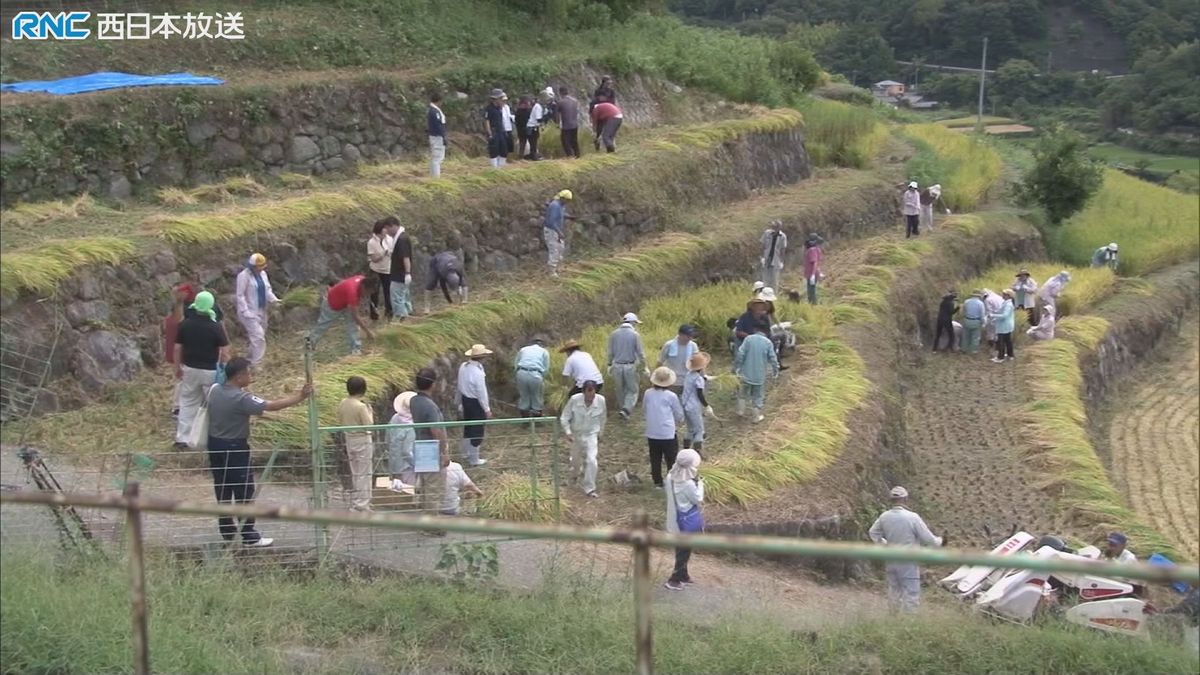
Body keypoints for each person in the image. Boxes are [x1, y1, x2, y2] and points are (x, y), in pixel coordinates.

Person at [207, 356, 311, 546]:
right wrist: (300, 397)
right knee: (244, 490)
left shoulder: (215, 390)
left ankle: (227, 530)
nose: (251, 376)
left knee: (222, 488)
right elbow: (271, 406)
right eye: (249, 373)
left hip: (214, 444)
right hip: (235, 447)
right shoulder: (241, 398)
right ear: (239, 377)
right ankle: (249, 534)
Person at [868, 485, 944, 613]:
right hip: (908, 560)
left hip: (891, 559)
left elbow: (873, 533)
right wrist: (941, 541)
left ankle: (893, 619)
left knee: (894, 591)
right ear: (905, 499)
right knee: (911, 593)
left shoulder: (884, 516)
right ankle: (909, 623)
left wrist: (885, 545)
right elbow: (928, 539)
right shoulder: (912, 517)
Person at [174, 291, 230, 449]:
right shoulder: (215, 327)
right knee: (213, 404)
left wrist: (177, 368)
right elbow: (225, 352)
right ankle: (214, 438)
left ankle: (182, 439)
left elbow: (178, 348)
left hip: (190, 369)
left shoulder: (185, 324)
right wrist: (225, 370)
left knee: (187, 402)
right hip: (210, 371)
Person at [663, 447, 704, 591]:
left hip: (674, 519)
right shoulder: (687, 484)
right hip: (685, 523)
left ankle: (684, 575)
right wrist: (701, 484)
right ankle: (674, 580)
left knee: (681, 549)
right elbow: (698, 499)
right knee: (683, 551)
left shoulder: (670, 477)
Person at [309, 273, 377, 355]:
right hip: (331, 304)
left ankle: (356, 350)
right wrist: (368, 332)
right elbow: (356, 316)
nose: (366, 295)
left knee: (353, 325)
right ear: (363, 287)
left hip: (345, 303)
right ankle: (308, 348)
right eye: (367, 292)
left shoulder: (362, 279)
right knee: (322, 326)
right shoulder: (352, 292)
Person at [411, 368, 449, 512]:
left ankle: (427, 520)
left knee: (426, 486)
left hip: (420, 447)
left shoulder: (414, 401)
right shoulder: (430, 406)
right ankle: (433, 525)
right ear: (433, 384)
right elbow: (436, 430)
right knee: (433, 487)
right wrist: (444, 452)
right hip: (432, 450)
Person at [560, 379, 606, 498]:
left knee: (591, 460)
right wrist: (568, 432)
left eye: (593, 393)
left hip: (591, 434)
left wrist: (600, 434)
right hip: (576, 434)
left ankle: (590, 488)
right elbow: (564, 417)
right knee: (575, 462)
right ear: (584, 392)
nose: (591, 397)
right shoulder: (575, 400)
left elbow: (603, 418)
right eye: (588, 393)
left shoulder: (600, 401)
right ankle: (574, 476)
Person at [234, 253, 279, 368]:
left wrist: (275, 300)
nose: (260, 269)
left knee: (258, 336)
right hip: (249, 311)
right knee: (258, 336)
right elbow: (240, 295)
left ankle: (249, 358)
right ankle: (256, 363)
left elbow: (267, 290)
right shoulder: (243, 276)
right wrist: (245, 311)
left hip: (262, 309)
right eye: (258, 267)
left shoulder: (263, 274)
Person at [337, 376, 374, 511]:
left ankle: (358, 501)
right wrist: (370, 411)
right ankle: (362, 504)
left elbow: (339, 419)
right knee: (364, 473)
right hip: (362, 439)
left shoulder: (343, 403)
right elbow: (369, 425)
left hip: (349, 439)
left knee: (356, 472)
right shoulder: (361, 406)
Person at [644, 367, 684, 488]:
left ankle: (657, 482)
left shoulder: (648, 393)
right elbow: (679, 414)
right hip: (667, 432)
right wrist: (680, 420)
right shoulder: (671, 396)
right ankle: (671, 481)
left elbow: (644, 409)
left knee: (655, 457)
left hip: (652, 431)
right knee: (671, 458)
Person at [457, 344, 493, 467]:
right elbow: (481, 392)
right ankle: (474, 459)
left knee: (468, 427)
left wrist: (459, 402)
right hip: (475, 403)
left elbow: (459, 385)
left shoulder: (463, 366)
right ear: (482, 357)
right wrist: (487, 409)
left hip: (466, 400)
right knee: (477, 430)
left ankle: (465, 452)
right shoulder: (478, 373)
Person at [608, 312, 649, 419]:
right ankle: (626, 409)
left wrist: (609, 364)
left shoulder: (614, 334)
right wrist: (644, 367)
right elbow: (641, 353)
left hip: (616, 366)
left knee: (620, 390)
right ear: (633, 322)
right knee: (633, 390)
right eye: (636, 323)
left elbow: (610, 352)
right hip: (630, 366)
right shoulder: (635, 334)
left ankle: (623, 411)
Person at [735, 324, 779, 423]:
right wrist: (776, 370)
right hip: (759, 376)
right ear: (766, 332)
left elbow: (740, 354)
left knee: (742, 394)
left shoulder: (748, 339)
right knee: (757, 396)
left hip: (745, 374)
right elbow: (773, 358)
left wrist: (738, 367)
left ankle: (740, 411)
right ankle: (756, 417)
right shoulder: (768, 342)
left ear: (755, 329)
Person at [681, 352, 713, 452]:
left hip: (685, 405)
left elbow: (699, 379)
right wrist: (707, 406)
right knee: (699, 430)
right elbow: (700, 394)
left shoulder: (689, 374)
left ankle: (685, 450)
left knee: (690, 428)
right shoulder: (699, 379)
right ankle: (697, 452)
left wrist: (708, 378)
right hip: (694, 407)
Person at [386, 392, 418, 492]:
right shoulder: (411, 427)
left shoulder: (394, 418)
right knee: (407, 491)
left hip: (394, 462)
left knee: (396, 490)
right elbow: (406, 451)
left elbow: (387, 439)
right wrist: (416, 464)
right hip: (406, 467)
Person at [514, 335, 551, 417]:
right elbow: (546, 368)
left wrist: (517, 374)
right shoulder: (544, 351)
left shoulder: (523, 349)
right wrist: (542, 377)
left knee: (524, 396)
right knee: (537, 396)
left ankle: (525, 421)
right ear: (542, 344)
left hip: (521, 372)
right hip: (536, 373)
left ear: (531, 342)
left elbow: (516, 363)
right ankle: (536, 421)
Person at [367, 219, 396, 321]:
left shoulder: (389, 239)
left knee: (388, 292)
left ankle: (389, 313)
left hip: (387, 269)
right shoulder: (371, 242)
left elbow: (393, 252)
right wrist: (384, 253)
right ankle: (374, 315)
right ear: (380, 229)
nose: (386, 230)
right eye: (384, 228)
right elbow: (374, 259)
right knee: (374, 293)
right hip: (375, 270)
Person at [440, 449, 483, 516]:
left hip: (431, 508)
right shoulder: (456, 467)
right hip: (451, 508)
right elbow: (469, 485)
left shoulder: (427, 468)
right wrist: (480, 493)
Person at [387, 215, 414, 321]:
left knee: (397, 297)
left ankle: (401, 318)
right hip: (401, 273)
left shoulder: (401, 239)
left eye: (388, 229)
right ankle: (408, 314)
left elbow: (405, 257)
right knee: (404, 296)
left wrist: (407, 273)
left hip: (399, 274)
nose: (387, 232)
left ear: (393, 226)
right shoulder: (401, 237)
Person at [543, 189, 574, 277]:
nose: (568, 202)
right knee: (554, 250)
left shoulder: (560, 205)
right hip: (551, 231)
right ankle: (551, 272)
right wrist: (559, 232)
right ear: (563, 198)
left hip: (556, 230)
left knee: (561, 248)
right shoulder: (555, 206)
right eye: (567, 200)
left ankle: (557, 268)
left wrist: (570, 217)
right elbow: (551, 221)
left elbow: (560, 214)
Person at [483, 89, 509, 168]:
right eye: (500, 98)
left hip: (501, 131)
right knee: (494, 150)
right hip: (494, 131)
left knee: (503, 149)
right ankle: (494, 168)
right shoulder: (489, 109)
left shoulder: (499, 108)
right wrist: (489, 133)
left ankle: (501, 166)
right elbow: (486, 121)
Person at [760, 220, 788, 291]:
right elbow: (762, 245)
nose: (774, 228)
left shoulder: (782, 236)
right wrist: (762, 257)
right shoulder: (767, 233)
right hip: (767, 258)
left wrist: (781, 261)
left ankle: (774, 295)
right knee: (765, 278)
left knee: (775, 279)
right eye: (773, 227)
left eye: (776, 227)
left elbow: (783, 250)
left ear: (779, 227)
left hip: (776, 260)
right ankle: (764, 293)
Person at [991, 289, 1016, 363]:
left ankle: (1000, 357)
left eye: (1004, 294)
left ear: (1008, 296)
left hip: (1004, 325)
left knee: (1001, 341)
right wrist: (995, 313)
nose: (1003, 295)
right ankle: (1010, 355)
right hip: (1007, 325)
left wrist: (993, 315)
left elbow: (1004, 315)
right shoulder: (1006, 303)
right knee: (1008, 341)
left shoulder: (1008, 304)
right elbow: (1001, 311)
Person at [556, 86, 581, 158]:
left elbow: (557, 115)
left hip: (566, 125)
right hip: (575, 124)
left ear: (560, 93)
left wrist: (557, 124)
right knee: (574, 141)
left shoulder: (560, 102)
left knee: (565, 141)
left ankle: (570, 155)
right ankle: (577, 155)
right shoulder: (575, 101)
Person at [524, 90, 550, 160]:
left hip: (534, 127)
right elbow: (539, 119)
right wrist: (546, 117)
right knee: (533, 143)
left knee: (534, 143)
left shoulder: (541, 107)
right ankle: (533, 157)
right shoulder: (538, 106)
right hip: (532, 127)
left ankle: (531, 156)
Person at [427, 92, 447, 178]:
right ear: (439, 101)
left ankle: (434, 176)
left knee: (436, 157)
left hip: (435, 135)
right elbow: (438, 125)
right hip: (437, 136)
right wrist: (443, 136)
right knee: (437, 158)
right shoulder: (434, 112)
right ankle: (436, 177)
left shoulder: (433, 110)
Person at [961, 289, 986, 354]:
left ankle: (964, 349)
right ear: (979, 296)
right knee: (975, 337)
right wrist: (983, 323)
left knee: (966, 336)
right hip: (976, 321)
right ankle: (973, 351)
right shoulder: (980, 303)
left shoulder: (966, 301)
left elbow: (963, 311)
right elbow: (982, 315)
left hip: (967, 320)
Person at [803, 234, 825, 304]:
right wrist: (819, 272)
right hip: (813, 273)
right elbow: (818, 262)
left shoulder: (812, 250)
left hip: (811, 274)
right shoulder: (817, 249)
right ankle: (813, 305)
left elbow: (815, 262)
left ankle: (813, 306)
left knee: (811, 292)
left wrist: (812, 275)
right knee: (812, 291)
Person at [514, 94, 535, 160]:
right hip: (524, 130)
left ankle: (527, 157)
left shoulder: (520, 111)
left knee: (525, 144)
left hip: (523, 129)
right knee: (524, 144)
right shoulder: (522, 111)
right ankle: (522, 157)